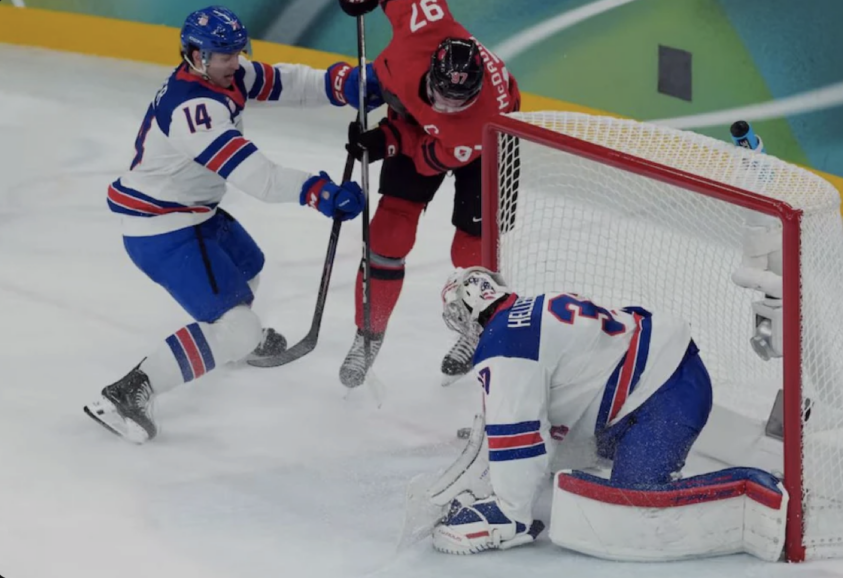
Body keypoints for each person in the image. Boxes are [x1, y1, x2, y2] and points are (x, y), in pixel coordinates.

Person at [83, 5, 372, 444]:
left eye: (238, 52)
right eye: (225, 55)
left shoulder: (223, 73)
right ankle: (129, 392)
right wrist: (318, 191)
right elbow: (260, 177)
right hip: (161, 226)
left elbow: (285, 82)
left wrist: (341, 84)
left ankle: (234, 343)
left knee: (249, 264)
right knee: (239, 327)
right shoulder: (192, 111)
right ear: (197, 56)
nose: (235, 62)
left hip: (194, 210)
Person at [425, 267, 715, 554]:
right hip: (662, 378)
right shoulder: (532, 309)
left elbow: (518, 434)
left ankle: (724, 494)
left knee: (632, 514)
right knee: (569, 462)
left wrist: (509, 511)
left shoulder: (503, 344)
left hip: (669, 395)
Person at [336, 0, 521, 387]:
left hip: (491, 139)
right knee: (389, 232)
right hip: (436, 129)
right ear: (432, 68)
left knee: (475, 252)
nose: (449, 105)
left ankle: (478, 330)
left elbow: (423, 157)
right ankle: (368, 335)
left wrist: (383, 140)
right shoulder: (421, 29)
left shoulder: (468, 126)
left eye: (460, 99)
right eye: (443, 95)